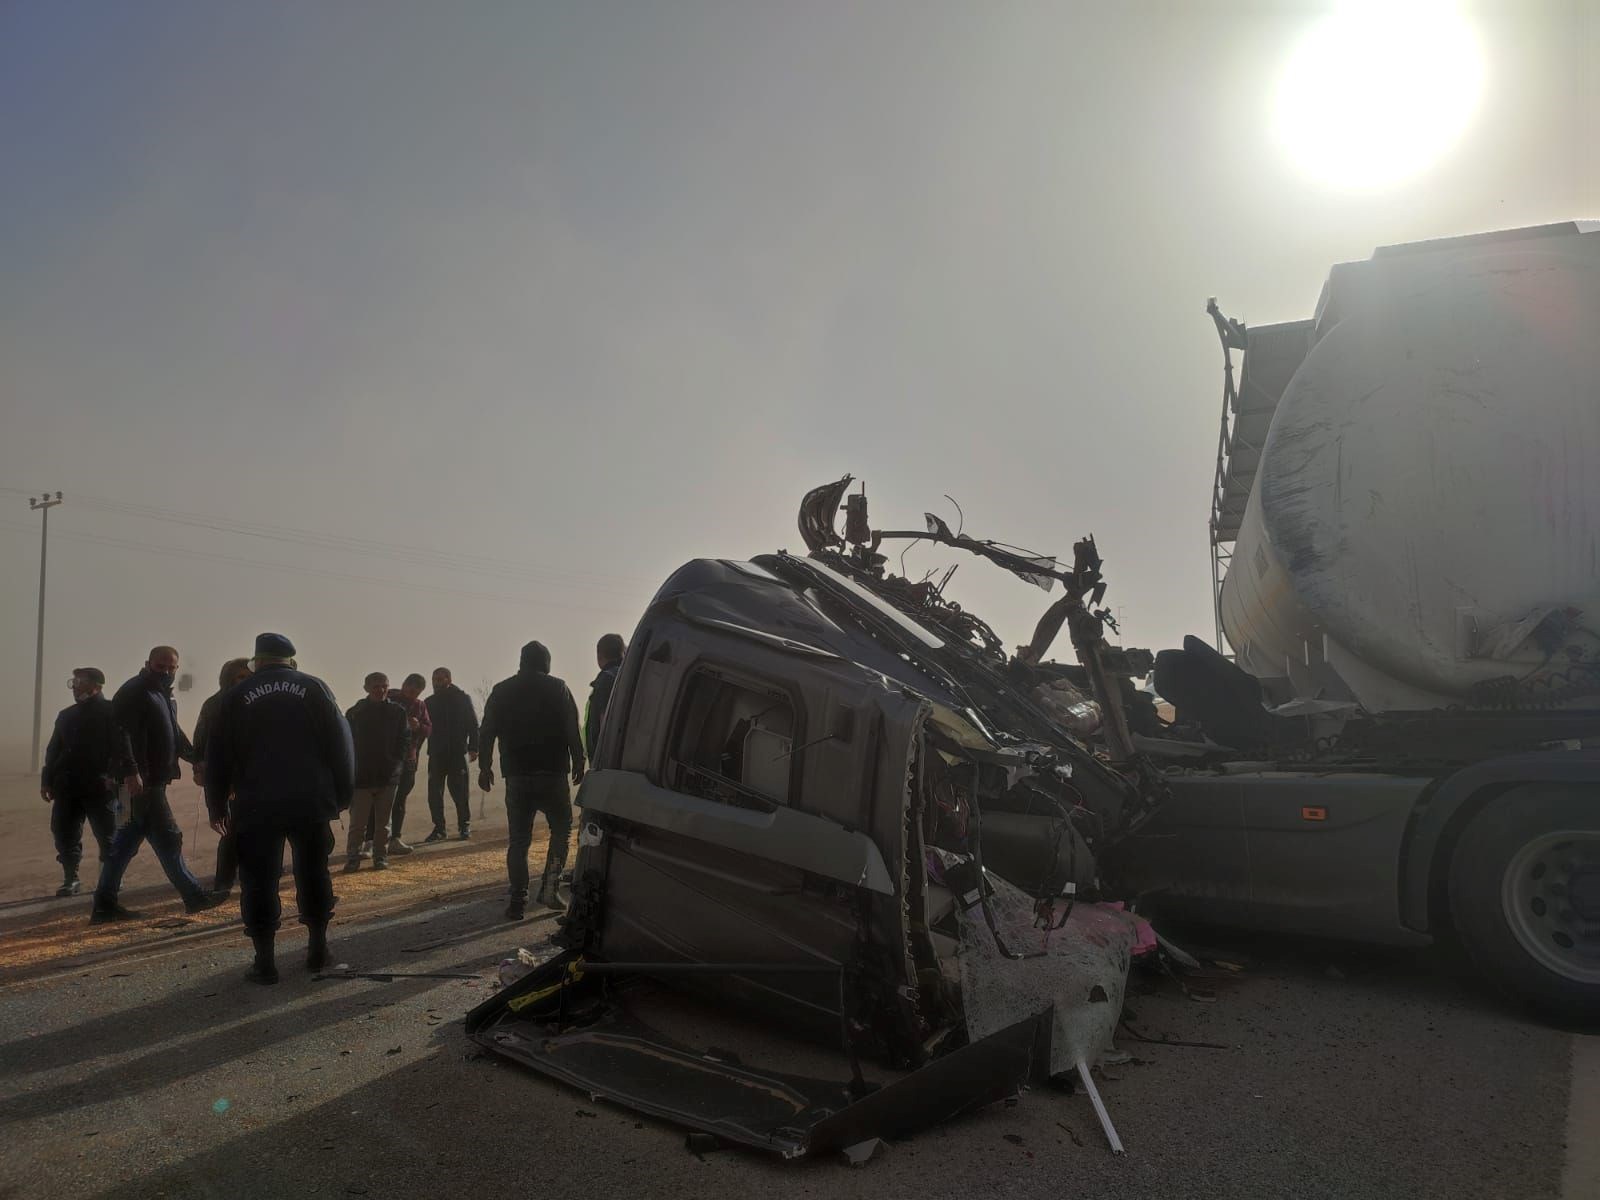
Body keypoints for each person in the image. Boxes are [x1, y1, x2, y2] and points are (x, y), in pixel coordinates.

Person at [203, 632, 353, 984]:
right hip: (309, 801)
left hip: (257, 804)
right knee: (314, 873)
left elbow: (217, 754)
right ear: (290, 659)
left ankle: (265, 962)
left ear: (257, 661)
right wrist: (341, 796)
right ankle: (318, 949)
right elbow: (341, 745)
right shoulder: (315, 689)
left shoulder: (235, 696)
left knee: (258, 880)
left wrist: (217, 803)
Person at [91, 646, 222, 922]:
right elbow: (120, 733)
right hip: (139, 783)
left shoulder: (162, 695)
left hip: (139, 782)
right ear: (148, 663)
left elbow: (173, 732)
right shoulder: (135, 691)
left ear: (176, 668)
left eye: (170, 667)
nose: (165, 671)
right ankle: (194, 896)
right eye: (160, 665)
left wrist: (194, 758)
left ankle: (104, 904)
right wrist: (130, 771)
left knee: (124, 841)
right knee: (168, 837)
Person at [478, 641, 585, 919]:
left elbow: (487, 730)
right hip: (553, 772)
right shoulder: (558, 687)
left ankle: (517, 900)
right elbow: (571, 726)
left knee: (519, 840)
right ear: (545, 662)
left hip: (517, 775)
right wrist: (579, 760)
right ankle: (549, 888)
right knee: (561, 830)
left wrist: (485, 766)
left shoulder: (501, 691)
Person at [41, 668, 123, 898]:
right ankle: (71, 878)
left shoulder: (112, 711)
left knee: (108, 834)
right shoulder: (66, 715)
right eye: (74, 681)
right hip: (67, 786)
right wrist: (46, 780)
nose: (75, 686)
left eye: (80, 681)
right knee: (64, 833)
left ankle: (110, 878)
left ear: (96, 685)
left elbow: (122, 748)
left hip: (101, 787)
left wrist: (114, 776)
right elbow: (53, 750)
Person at [192, 657, 252, 898]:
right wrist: (200, 767)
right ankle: (223, 882)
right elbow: (201, 739)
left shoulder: (256, 701)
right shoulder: (215, 704)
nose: (244, 682)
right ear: (227, 680)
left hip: (251, 777)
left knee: (252, 830)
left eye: (247, 677)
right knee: (230, 831)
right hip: (223, 777)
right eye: (239, 677)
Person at [344, 672, 408, 872]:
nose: (380, 690)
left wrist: (396, 763)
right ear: (366, 688)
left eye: (384, 686)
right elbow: (347, 743)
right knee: (358, 824)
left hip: (387, 776)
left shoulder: (397, 712)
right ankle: (353, 857)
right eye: (376, 686)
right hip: (361, 777)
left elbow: (404, 740)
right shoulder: (355, 712)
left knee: (383, 823)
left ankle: (381, 856)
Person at [376, 672, 430, 855]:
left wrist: (418, 727)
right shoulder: (388, 698)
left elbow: (429, 728)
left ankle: (395, 838)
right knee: (378, 799)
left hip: (408, 759)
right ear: (404, 684)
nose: (411, 693)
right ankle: (372, 840)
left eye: (416, 691)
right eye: (410, 688)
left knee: (400, 800)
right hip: (385, 757)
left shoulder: (420, 706)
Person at [423, 667, 478, 842]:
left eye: (439, 679)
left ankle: (464, 826)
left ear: (449, 679)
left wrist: (474, 747)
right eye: (434, 679)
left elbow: (473, 724)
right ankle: (439, 829)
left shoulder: (462, 699)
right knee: (434, 793)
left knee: (460, 792)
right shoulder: (429, 702)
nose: (436, 683)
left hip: (457, 752)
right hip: (436, 753)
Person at [585, 633, 626, 761]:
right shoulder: (629, 675)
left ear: (599, 656)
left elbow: (604, 722)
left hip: (606, 760)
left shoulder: (606, 680)